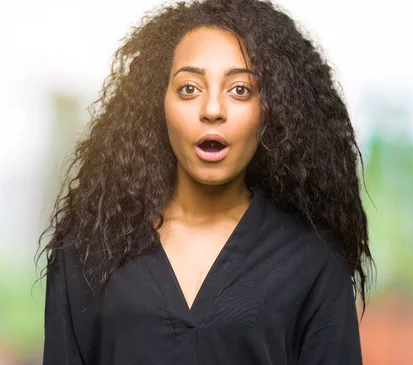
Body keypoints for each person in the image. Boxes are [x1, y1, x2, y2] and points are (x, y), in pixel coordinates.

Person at [38, 0, 374, 363]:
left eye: (241, 90)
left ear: (272, 109)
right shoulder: (89, 250)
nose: (212, 110)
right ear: (158, 102)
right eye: (189, 88)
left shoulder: (313, 260)